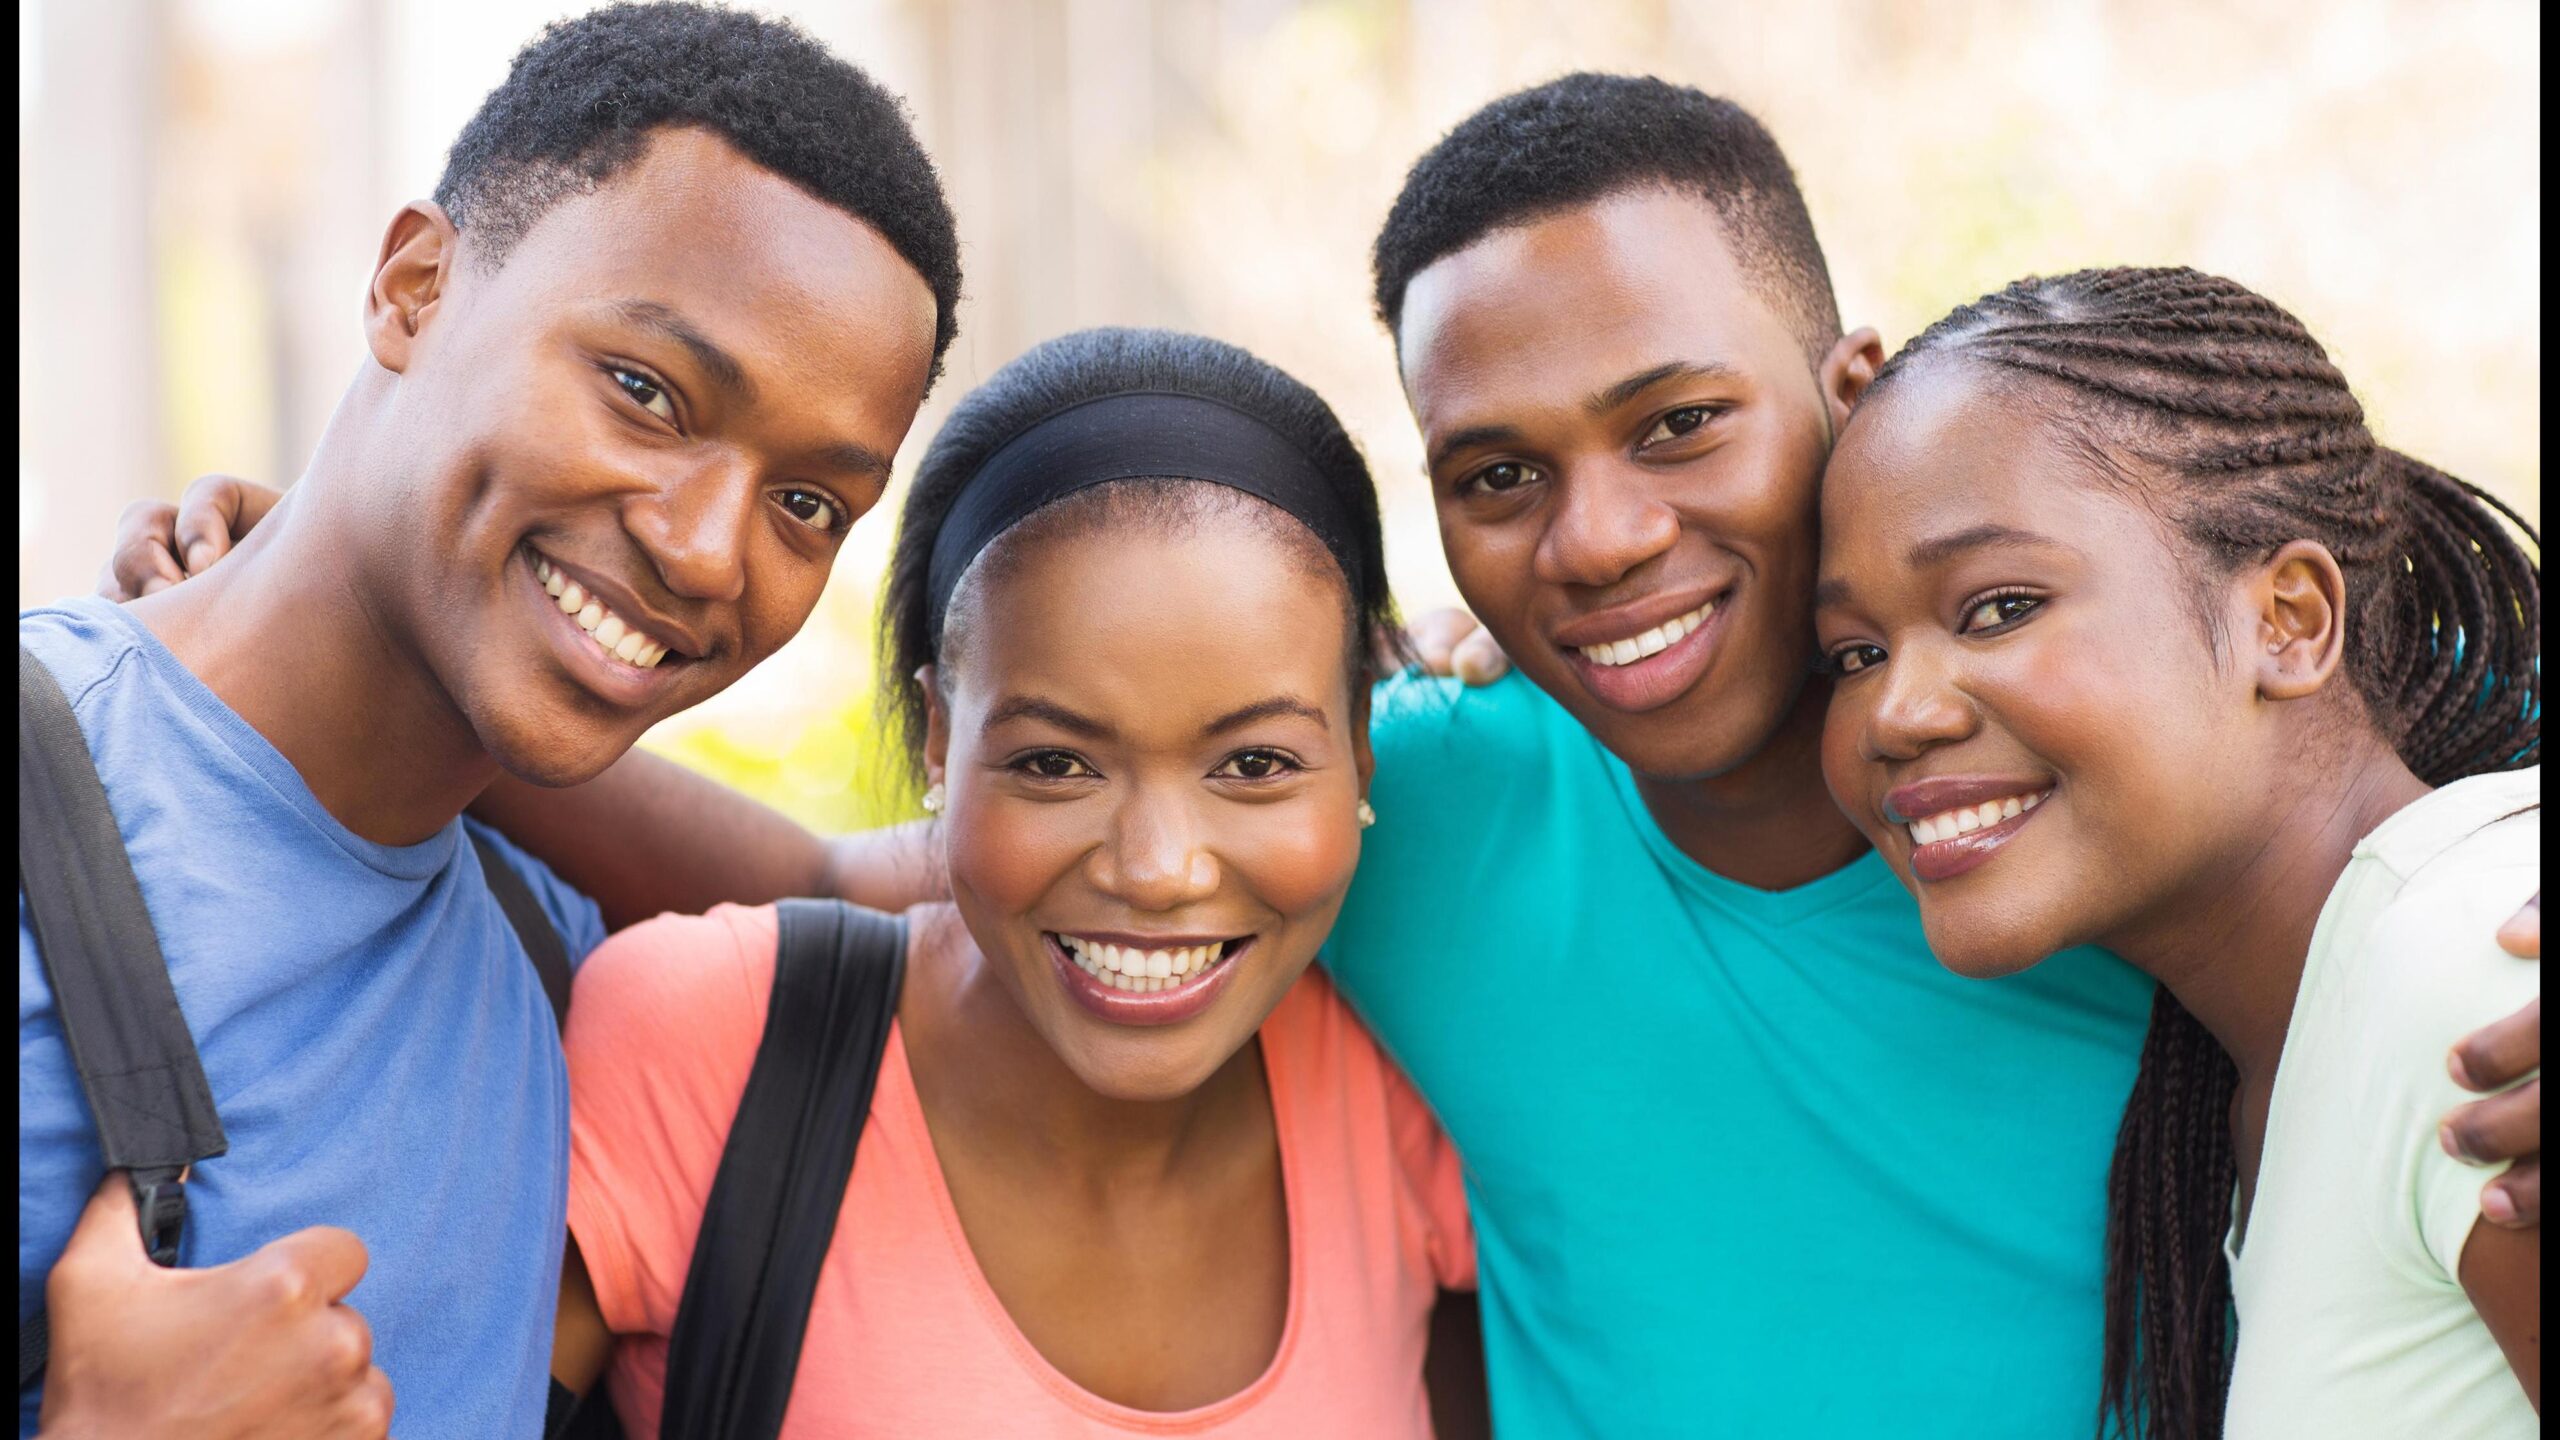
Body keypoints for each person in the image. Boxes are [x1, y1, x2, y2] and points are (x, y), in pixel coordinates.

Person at [105, 74, 2545, 1436]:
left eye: (1674, 423)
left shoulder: (2100, 818)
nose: (1596, 537)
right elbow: (891, 869)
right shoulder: (1404, 814)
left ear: (1847, 391)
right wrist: (346, 587)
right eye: (1492, 472)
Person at [20, 5, 960, 1435]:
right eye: (646, 392)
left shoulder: (561, 959)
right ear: (413, 288)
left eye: (809, 504)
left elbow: (933, 893)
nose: (712, 551)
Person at [545, 328, 1482, 1437]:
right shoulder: (707, 1042)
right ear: (939, 739)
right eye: (1055, 763)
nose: (1158, 871)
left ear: (1363, 749)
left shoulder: (1408, 1076)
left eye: (1255, 764)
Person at [1813, 266, 2539, 1436]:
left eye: (1996, 606)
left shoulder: (2472, 973)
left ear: (2286, 622)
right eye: (1849, 655)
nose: (1895, 712)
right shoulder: (2290, 1048)